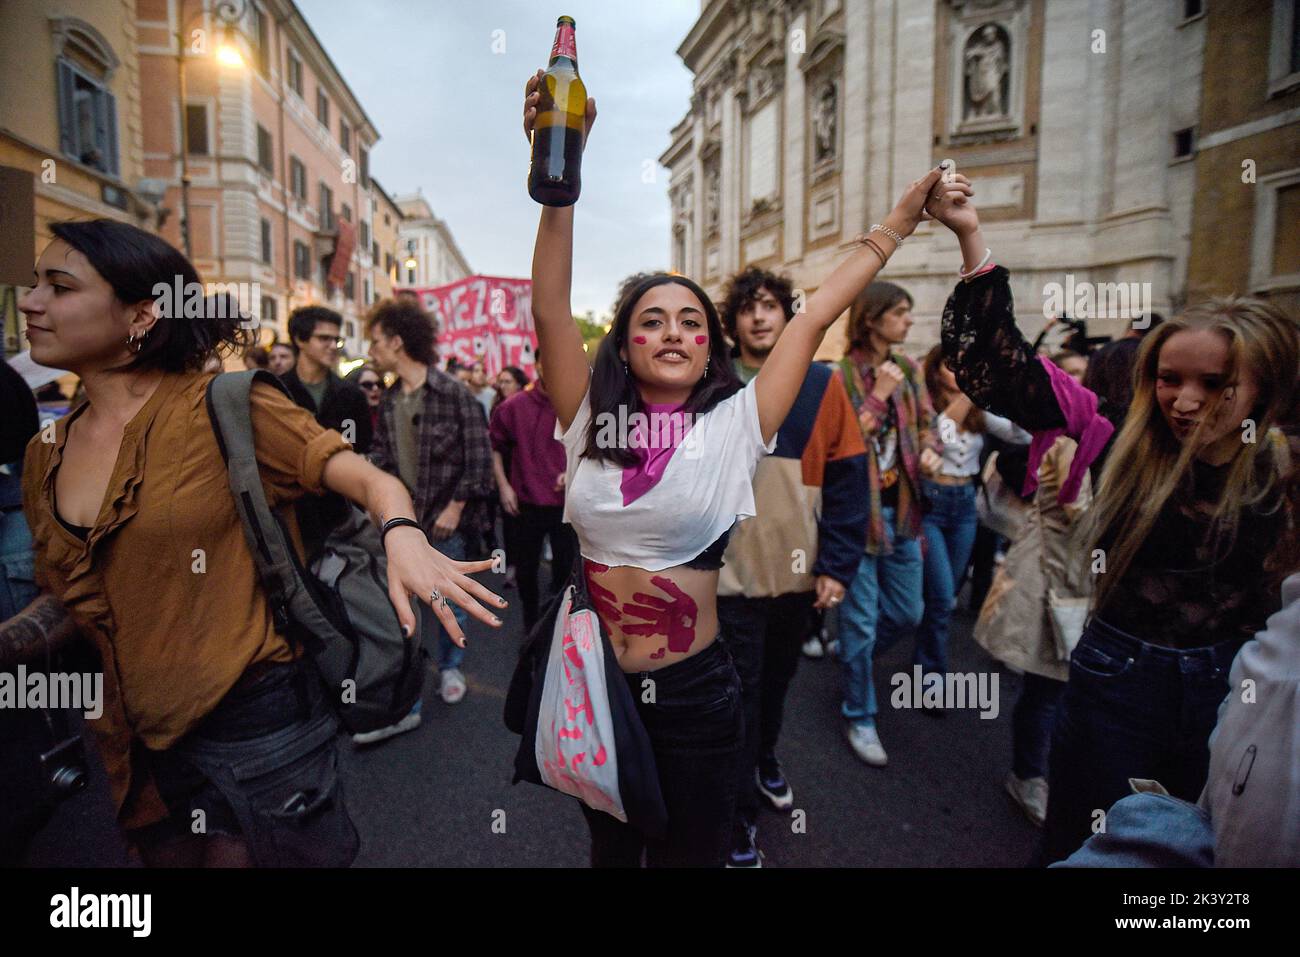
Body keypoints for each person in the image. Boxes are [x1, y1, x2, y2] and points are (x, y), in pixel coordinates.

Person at [523, 68, 960, 866]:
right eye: (650, 319)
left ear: (710, 343)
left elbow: (819, 310)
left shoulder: (737, 423)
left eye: (691, 319)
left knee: (695, 855)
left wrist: (899, 223)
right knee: (612, 856)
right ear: (624, 343)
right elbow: (549, 306)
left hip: (693, 695)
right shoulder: (587, 417)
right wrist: (560, 180)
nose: (673, 331)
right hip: (594, 685)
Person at [17, 220, 504, 867]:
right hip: (132, 747)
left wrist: (404, 531)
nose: (30, 301)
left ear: (140, 313)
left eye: (59, 285)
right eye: (34, 283)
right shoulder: (42, 452)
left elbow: (367, 476)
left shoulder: (225, 405)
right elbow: (71, 596)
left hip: (256, 727)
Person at [930, 174, 1299, 864]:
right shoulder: (1111, 431)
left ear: (1260, 388)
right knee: (1086, 837)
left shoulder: (1281, 467)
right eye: (1169, 378)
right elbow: (999, 365)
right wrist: (968, 234)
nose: (1186, 401)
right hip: (1117, 674)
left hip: (1234, 683)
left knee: (1197, 845)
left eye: (1214, 383)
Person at [715, 267, 868, 867]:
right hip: (726, 576)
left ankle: (766, 757)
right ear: (733, 322)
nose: (758, 316)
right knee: (740, 694)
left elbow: (852, 475)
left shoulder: (824, 384)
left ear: (787, 314)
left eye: (770, 306)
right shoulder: (711, 380)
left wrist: (837, 564)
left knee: (775, 683)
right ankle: (738, 820)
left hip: (797, 576)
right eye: (747, 307)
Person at [366, 296, 497, 706]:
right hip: (404, 527)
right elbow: (384, 460)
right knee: (405, 605)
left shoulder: (454, 394)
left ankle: (450, 667)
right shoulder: (388, 399)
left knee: (447, 602)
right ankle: (412, 682)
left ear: (397, 342)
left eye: (375, 342)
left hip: (444, 525)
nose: (371, 352)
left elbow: (479, 461)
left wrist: (455, 509)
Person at [835, 282, 943, 766]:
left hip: (904, 511)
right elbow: (846, 442)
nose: (908, 322)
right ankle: (859, 712)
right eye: (899, 313)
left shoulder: (910, 368)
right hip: (859, 515)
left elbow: (927, 423)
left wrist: (930, 448)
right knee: (858, 621)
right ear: (872, 318)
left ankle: (853, 656)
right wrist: (878, 395)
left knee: (907, 613)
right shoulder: (839, 377)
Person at [916, 345, 1030, 705]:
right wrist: (968, 396)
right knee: (940, 595)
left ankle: (922, 652)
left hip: (964, 505)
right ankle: (931, 678)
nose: (961, 370)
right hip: (931, 505)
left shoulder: (979, 409)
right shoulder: (926, 405)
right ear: (935, 369)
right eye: (953, 364)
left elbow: (1021, 435)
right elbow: (942, 434)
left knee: (943, 596)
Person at [488, 351, 576, 631]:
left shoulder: (579, 404)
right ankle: (530, 628)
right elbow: (495, 448)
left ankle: (555, 626)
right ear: (538, 365)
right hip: (525, 503)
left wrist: (573, 471)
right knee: (526, 573)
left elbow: (594, 449)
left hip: (566, 505)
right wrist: (503, 486)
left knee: (564, 572)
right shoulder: (514, 406)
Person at [281, 306, 374, 562]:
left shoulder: (351, 395)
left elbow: (363, 448)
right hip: (291, 517)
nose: (333, 346)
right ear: (300, 340)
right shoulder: (278, 392)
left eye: (337, 339)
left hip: (341, 515)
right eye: (324, 338)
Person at [491, 366, 530, 589]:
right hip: (505, 471)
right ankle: (507, 567)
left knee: (524, 524)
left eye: (507, 381)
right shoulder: (498, 408)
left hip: (525, 471)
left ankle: (522, 565)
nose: (503, 386)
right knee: (508, 524)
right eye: (501, 381)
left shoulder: (527, 407)